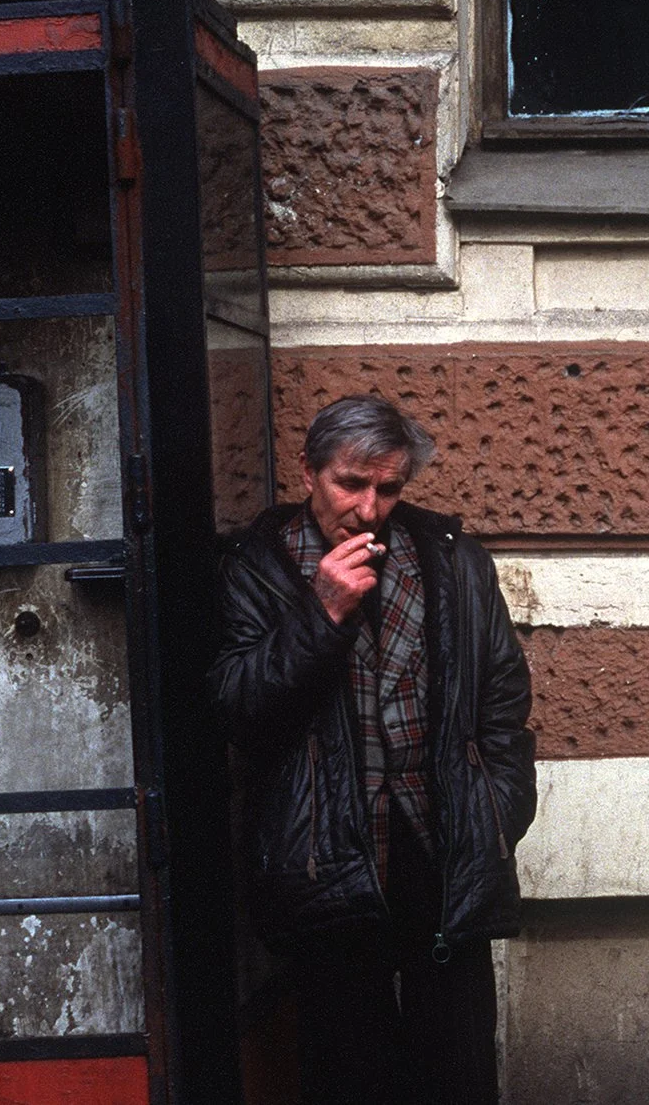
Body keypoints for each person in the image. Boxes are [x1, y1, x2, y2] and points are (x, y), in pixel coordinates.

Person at [210, 395, 535, 1105]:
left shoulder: (453, 562)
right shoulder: (255, 568)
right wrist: (321, 613)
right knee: (349, 1069)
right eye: (350, 484)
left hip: (440, 846)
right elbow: (233, 706)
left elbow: (503, 698)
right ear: (308, 472)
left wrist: (495, 810)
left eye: (388, 489)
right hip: (325, 853)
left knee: (457, 1066)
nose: (368, 510)